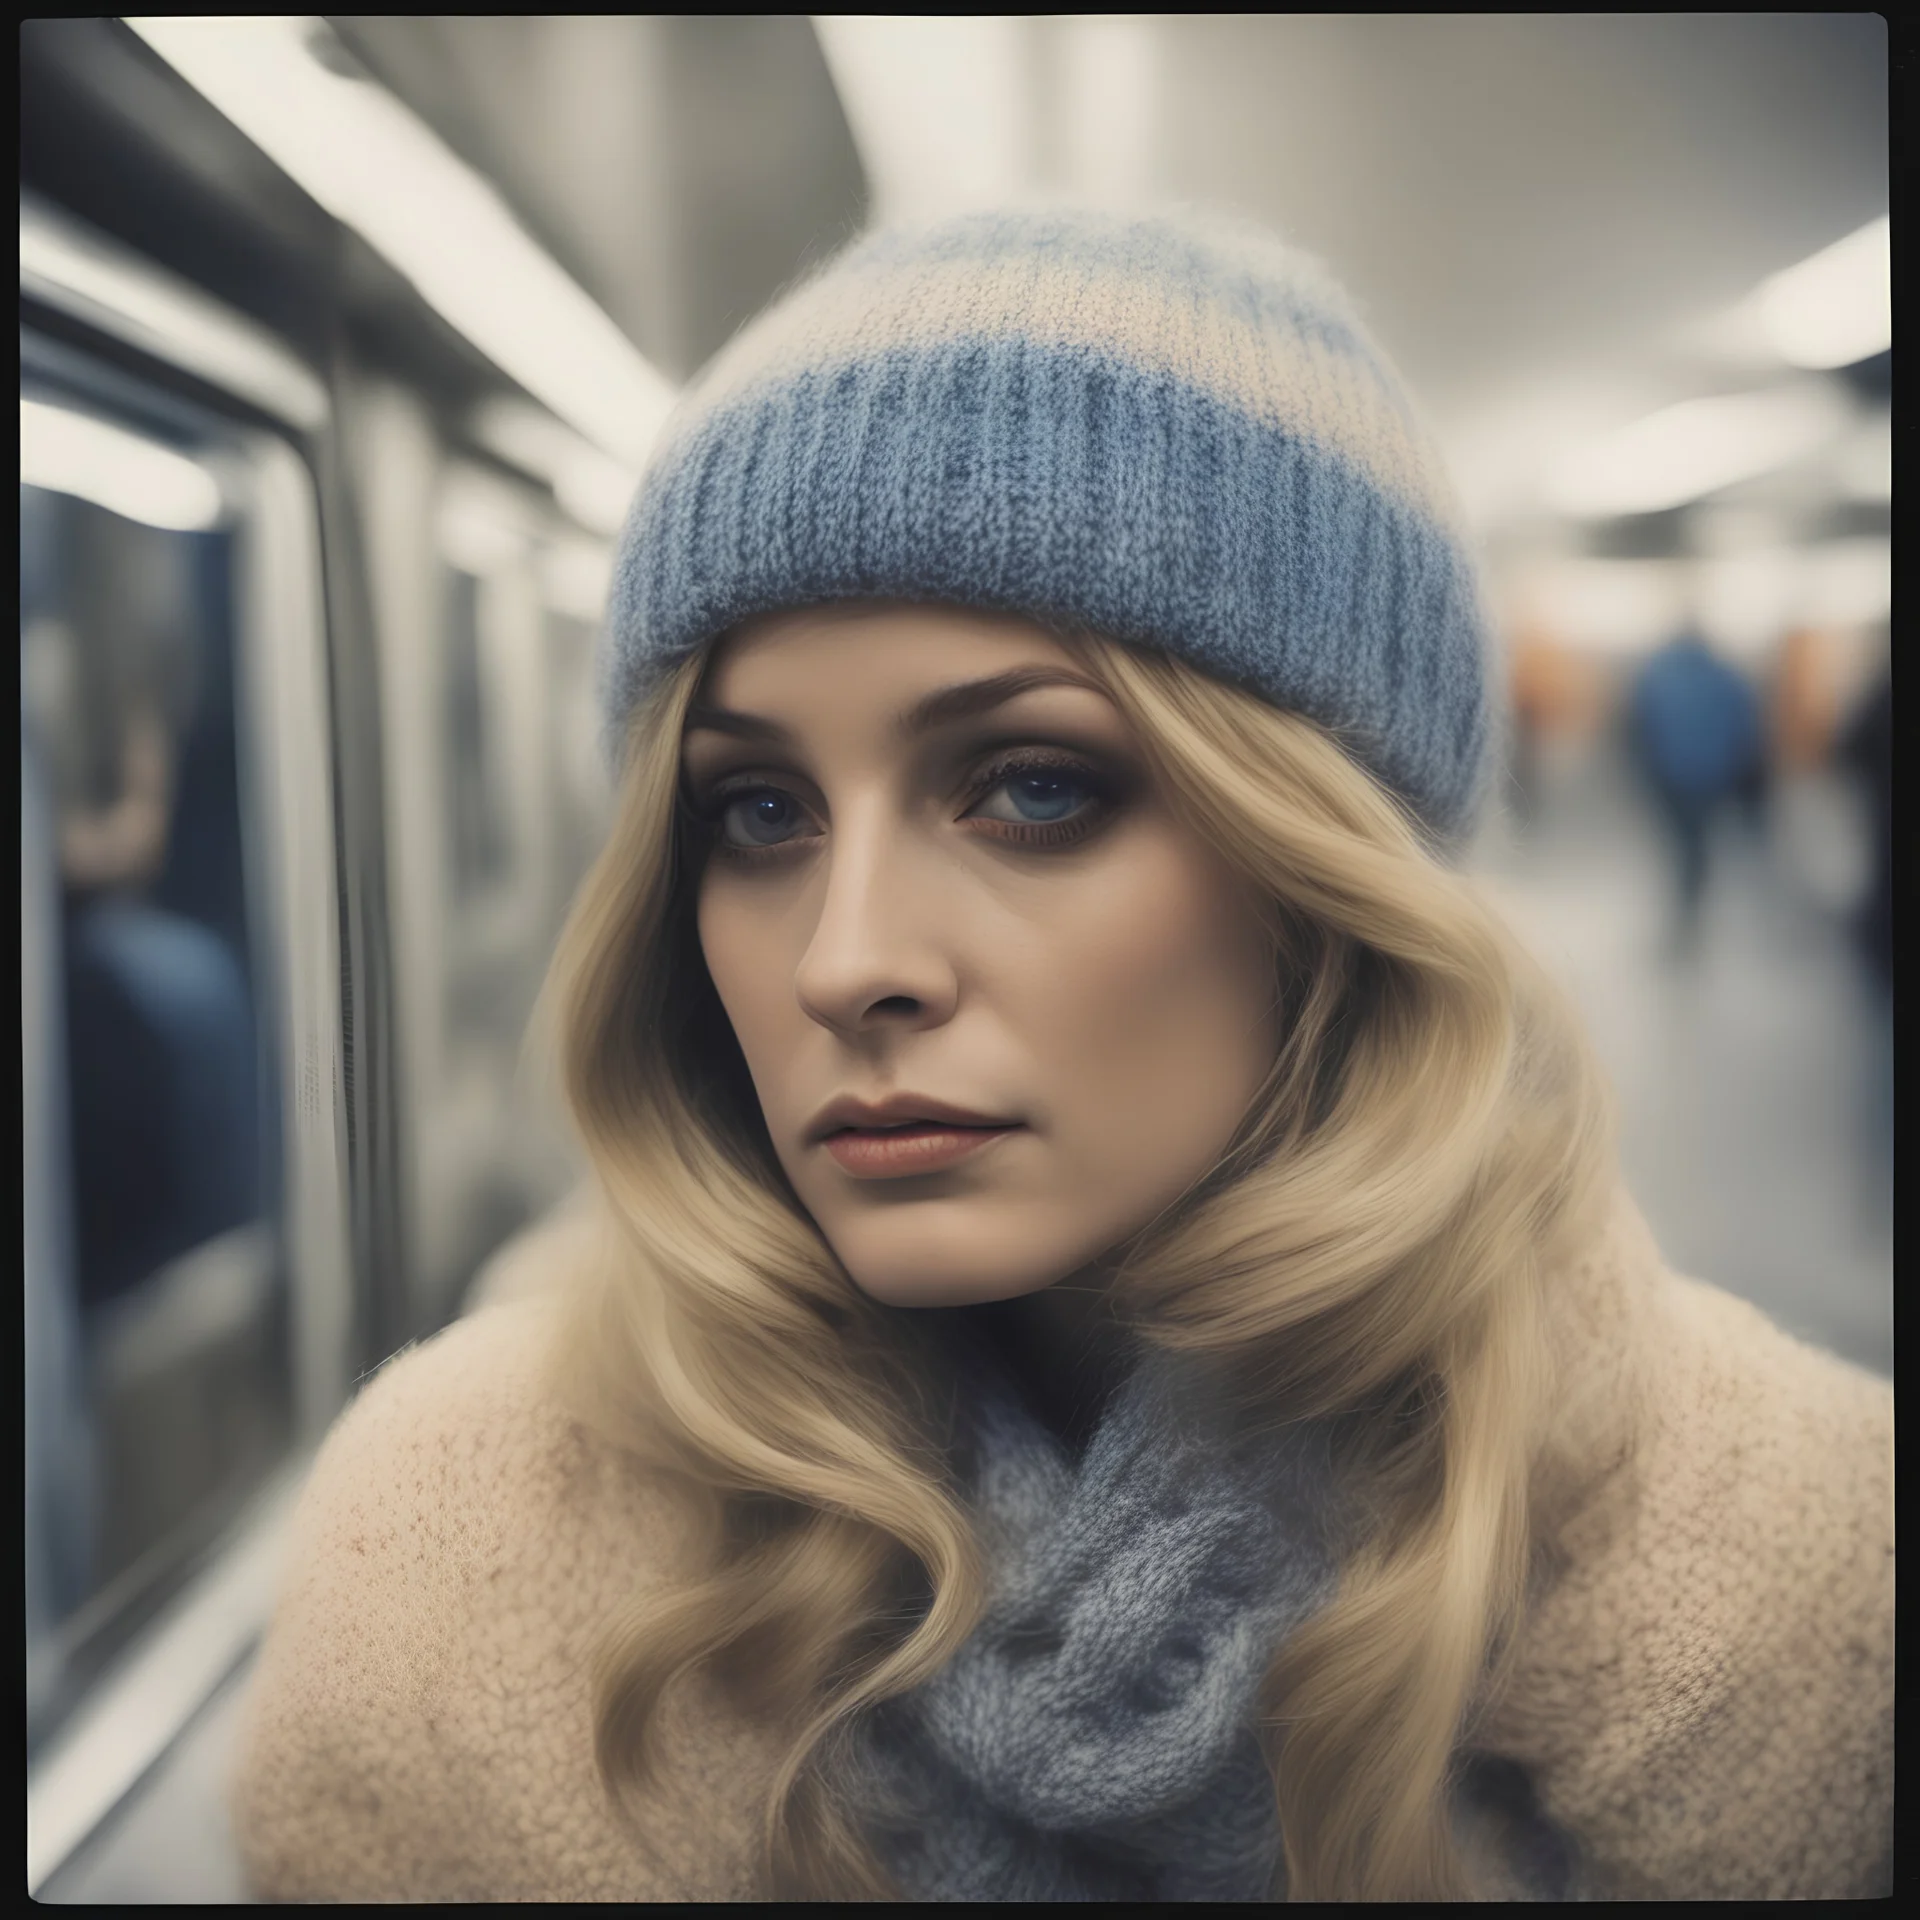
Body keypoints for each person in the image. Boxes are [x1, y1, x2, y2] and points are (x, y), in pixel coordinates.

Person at [230, 207, 1891, 1901]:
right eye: (758, 810)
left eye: (1034, 788)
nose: (849, 959)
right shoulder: (457, 1557)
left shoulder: (1803, 1569)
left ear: (1326, 874)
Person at [1624, 622, 1766, 952]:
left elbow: (1639, 725)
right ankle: (1693, 899)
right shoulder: (1725, 674)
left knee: (1683, 845)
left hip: (1671, 777)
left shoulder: (1659, 674)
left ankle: (1687, 903)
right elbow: (1745, 726)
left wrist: (1646, 773)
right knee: (1697, 846)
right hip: (1712, 777)